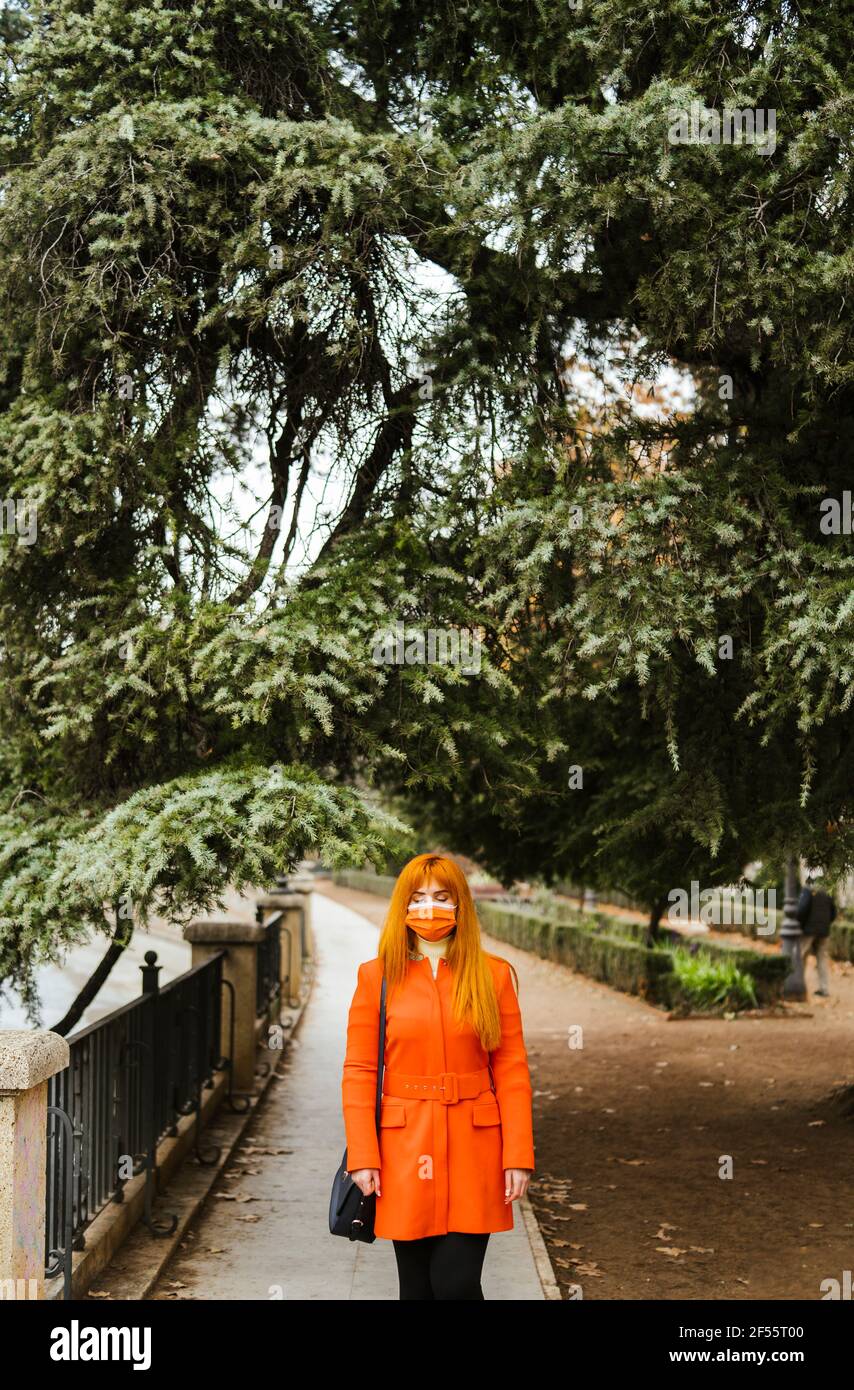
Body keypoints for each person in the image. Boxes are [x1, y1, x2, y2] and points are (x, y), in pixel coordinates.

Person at [340, 852, 536, 1299]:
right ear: (403, 908)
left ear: (460, 905)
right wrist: (363, 1154)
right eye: (420, 897)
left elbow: (510, 1069)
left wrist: (518, 1154)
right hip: (403, 1148)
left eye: (442, 897)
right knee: (416, 1287)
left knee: (457, 1283)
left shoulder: (494, 976)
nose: (430, 907)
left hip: (474, 1144)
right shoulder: (377, 978)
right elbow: (360, 1069)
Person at [796, 874, 836, 998]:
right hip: (824, 931)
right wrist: (825, 925)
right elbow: (834, 913)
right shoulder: (827, 892)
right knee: (822, 959)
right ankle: (824, 989)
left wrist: (800, 926)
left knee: (800, 956)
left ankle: (798, 986)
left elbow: (802, 910)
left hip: (808, 930)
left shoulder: (808, 890)